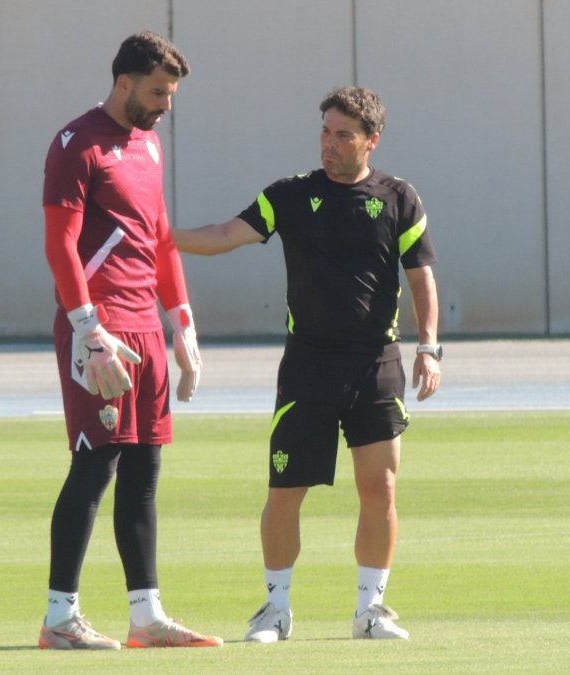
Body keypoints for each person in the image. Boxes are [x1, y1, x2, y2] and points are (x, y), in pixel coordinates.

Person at [172, 86, 442, 642]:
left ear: (372, 140)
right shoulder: (290, 195)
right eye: (325, 131)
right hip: (308, 366)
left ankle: (371, 611)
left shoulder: (399, 197)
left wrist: (429, 347)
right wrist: (159, 238)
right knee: (285, 492)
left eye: (344, 135)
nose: (329, 143)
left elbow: (421, 278)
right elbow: (224, 235)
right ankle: (276, 610)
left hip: (375, 365)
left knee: (380, 488)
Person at [38, 31, 221, 650]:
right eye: (158, 93)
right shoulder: (77, 144)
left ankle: (147, 617)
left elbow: (160, 236)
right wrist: (88, 329)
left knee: (144, 470)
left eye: (171, 95)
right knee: (96, 464)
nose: (166, 105)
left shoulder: (149, 144)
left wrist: (183, 324)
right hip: (101, 329)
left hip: (146, 325)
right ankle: (59, 618)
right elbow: (60, 244)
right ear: (124, 83)